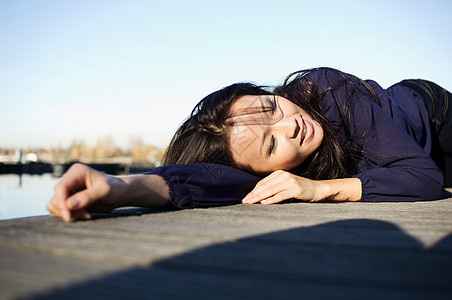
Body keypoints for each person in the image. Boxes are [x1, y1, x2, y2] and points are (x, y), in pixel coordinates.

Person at [47, 67, 451, 222]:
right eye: (272, 147)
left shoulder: (326, 90)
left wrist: (320, 189)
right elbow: (210, 180)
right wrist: (123, 188)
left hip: (432, 115)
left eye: (271, 106)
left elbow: (422, 177)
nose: (290, 125)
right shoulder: (256, 167)